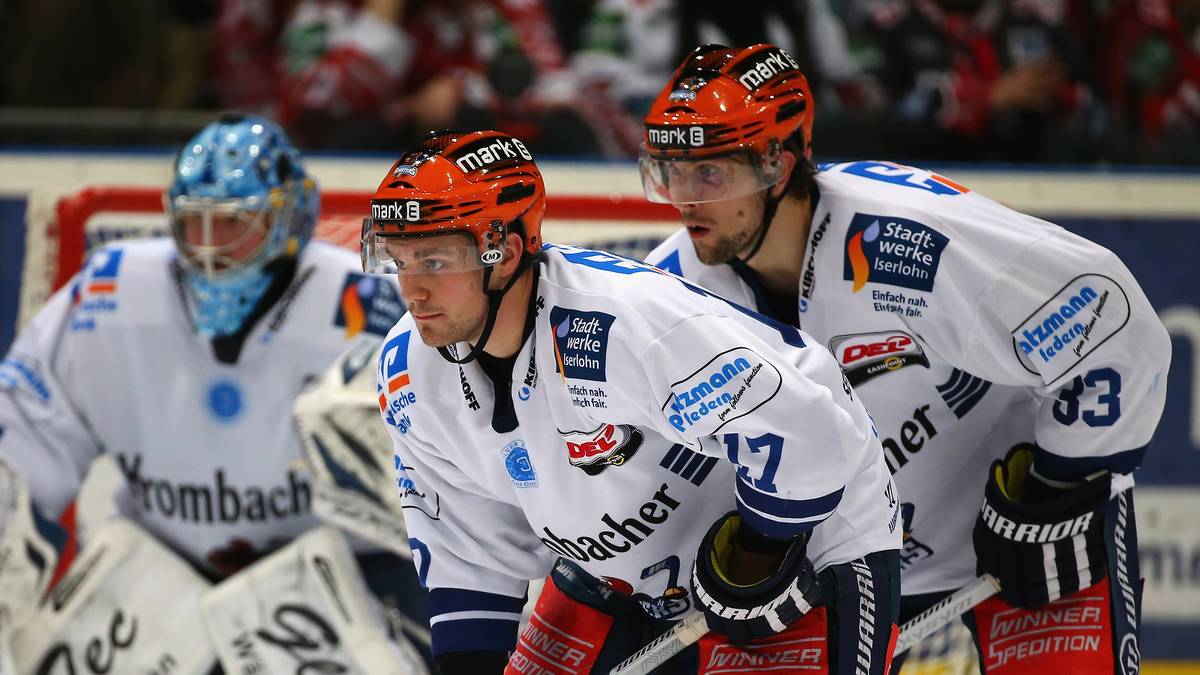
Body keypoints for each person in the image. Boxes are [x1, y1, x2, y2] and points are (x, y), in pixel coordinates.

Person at [641, 43, 1171, 672]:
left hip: (1023, 528)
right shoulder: (674, 290)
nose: (682, 197)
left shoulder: (903, 236)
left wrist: (1060, 484)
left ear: (778, 164)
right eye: (669, 169)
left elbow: (1102, 314)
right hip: (852, 557)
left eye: (710, 173)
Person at [364, 128, 902, 675]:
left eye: (434, 261)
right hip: (612, 573)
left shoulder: (620, 323)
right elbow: (466, 551)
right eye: (400, 260)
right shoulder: (408, 368)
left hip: (803, 543)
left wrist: (758, 551)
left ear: (504, 253)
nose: (412, 291)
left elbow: (807, 428)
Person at [0, 114, 426, 667]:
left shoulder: (369, 304)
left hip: (338, 577)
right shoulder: (111, 293)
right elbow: (24, 427)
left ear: (288, 216)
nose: (209, 247)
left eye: (233, 223)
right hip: (153, 574)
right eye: (193, 224)